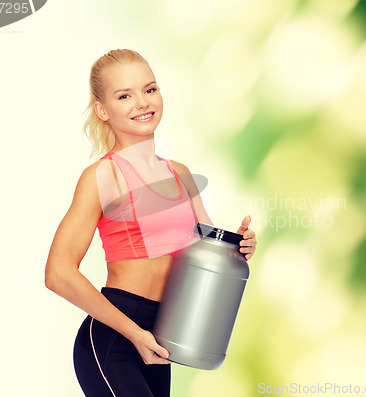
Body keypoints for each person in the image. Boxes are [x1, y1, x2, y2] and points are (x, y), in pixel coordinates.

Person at [44, 49, 257, 397]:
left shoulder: (181, 174)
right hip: (115, 338)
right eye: (124, 95)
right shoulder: (102, 176)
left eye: (150, 89)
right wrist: (134, 333)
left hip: (162, 339)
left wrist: (239, 245)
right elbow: (58, 273)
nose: (141, 103)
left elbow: (204, 257)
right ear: (102, 109)